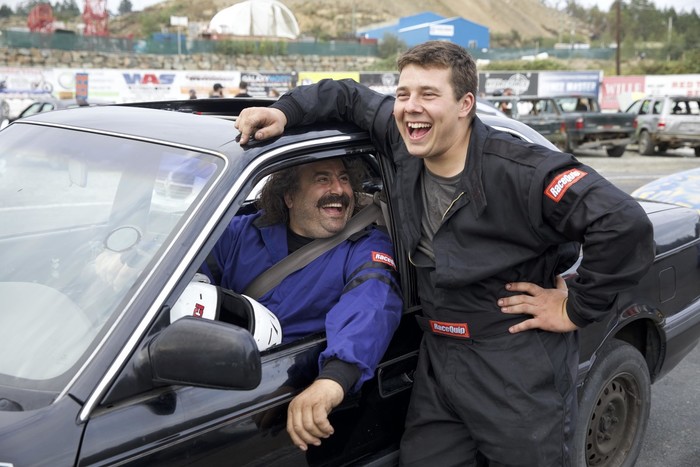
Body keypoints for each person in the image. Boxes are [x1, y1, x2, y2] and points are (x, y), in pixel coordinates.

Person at [234, 40, 655, 466]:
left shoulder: (520, 170)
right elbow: (345, 96)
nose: (410, 107)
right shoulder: (403, 140)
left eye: (429, 94)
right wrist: (285, 111)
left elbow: (623, 223)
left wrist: (575, 308)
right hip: (439, 356)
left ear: (465, 104)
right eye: (403, 94)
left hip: (514, 361)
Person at [199, 157, 403, 452]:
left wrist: (332, 380)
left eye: (344, 178)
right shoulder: (244, 232)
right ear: (290, 196)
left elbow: (372, 303)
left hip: (290, 386)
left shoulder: (364, 246)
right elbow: (185, 269)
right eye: (322, 179)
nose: (339, 189)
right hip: (213, 370)